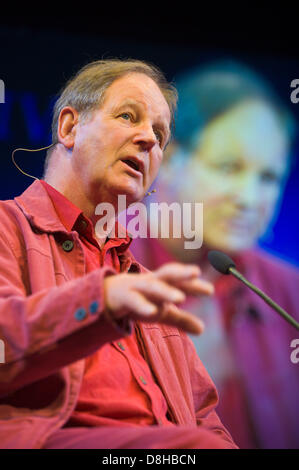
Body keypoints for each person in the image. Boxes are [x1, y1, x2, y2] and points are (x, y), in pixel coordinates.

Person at [0, 59, 237, 449]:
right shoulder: (7, 227)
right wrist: (101, 302)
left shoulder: (146, 287)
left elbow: (203, 419)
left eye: (159, 135)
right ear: (69, 127)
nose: (148, 139)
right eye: (129, 116)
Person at [130, 60, 299, 449]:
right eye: (229, 167)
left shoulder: (288, 292)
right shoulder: (95, 268)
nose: (250, 199)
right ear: (169, 160)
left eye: (268, 177)